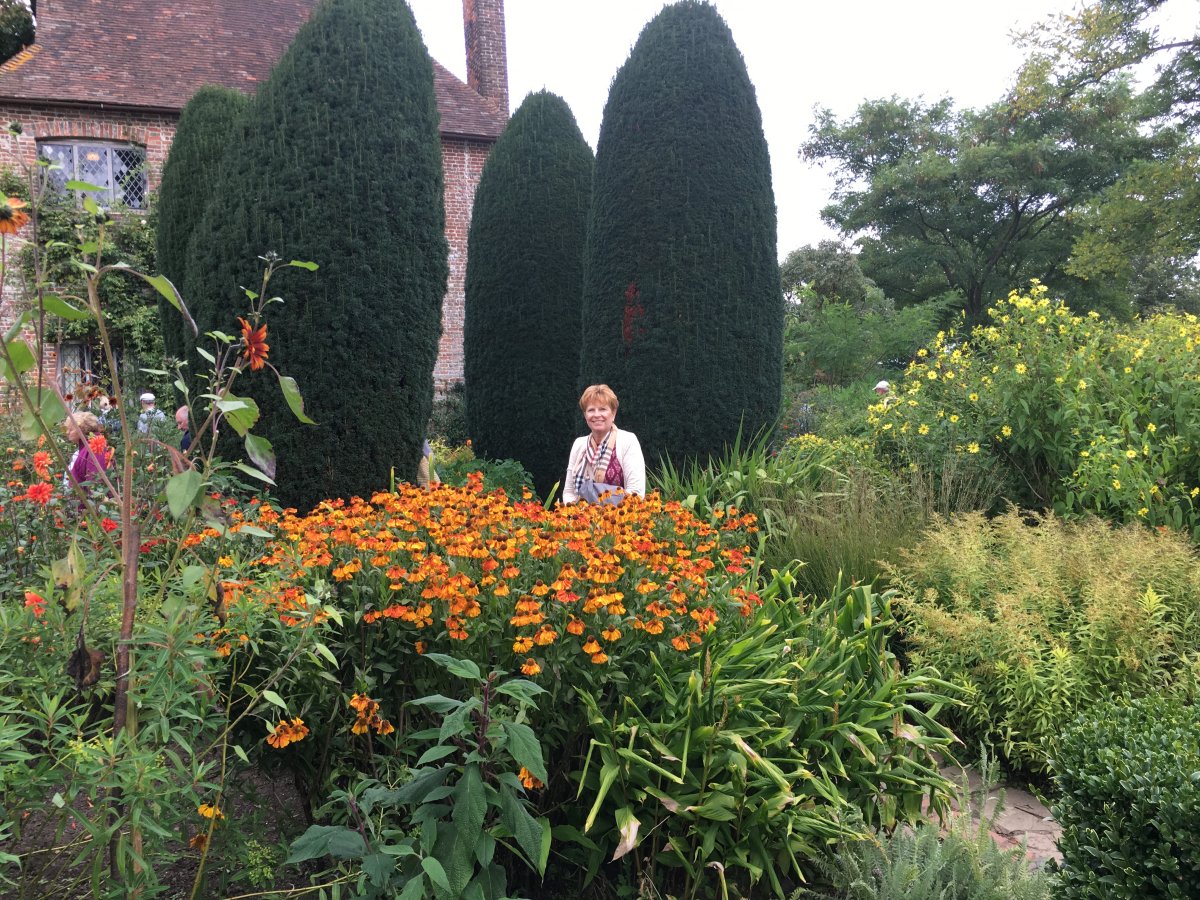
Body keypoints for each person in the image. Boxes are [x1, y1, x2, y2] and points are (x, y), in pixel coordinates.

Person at [562, 384, 645, 505]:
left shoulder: (628, 441)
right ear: (585, 415)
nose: (596, 415)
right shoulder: (579, 444)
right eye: (591, 410)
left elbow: (636, 493)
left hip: (620, 515)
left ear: (613, 413)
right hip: (581, 516)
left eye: (602, 409)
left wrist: (602, 510)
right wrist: (576, 511)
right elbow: (569, 492)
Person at [62, 411, 111, 493]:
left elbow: (95, 482)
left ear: (82, 428)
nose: (67, 432)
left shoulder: (95, 446)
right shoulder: (85, 448)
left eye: (71, 429)